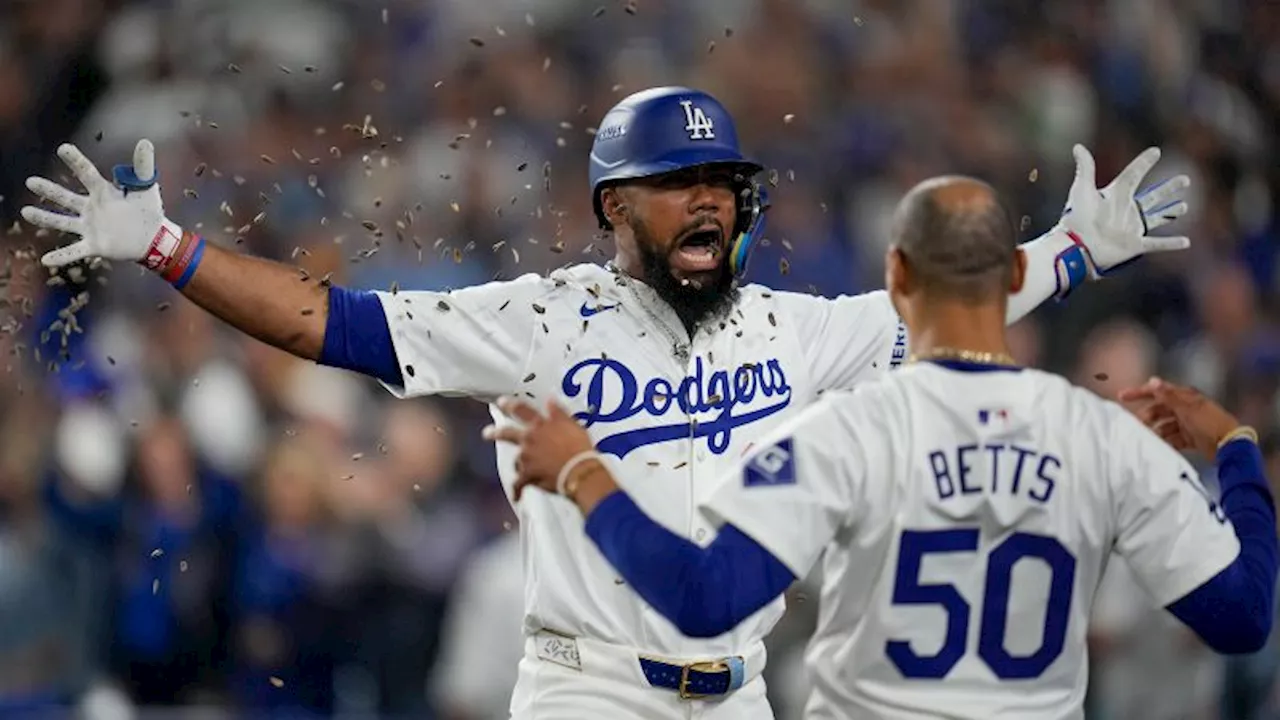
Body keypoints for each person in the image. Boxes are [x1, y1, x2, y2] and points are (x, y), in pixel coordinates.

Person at [21, 87, 1193, 719]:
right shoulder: (538, 318)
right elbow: (326, 321)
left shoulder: (798, 329)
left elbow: (958, 308)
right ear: (610, 209)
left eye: (720, 186)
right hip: (585, 689)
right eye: (672, 187)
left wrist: (1075, 248)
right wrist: (170, 247)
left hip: (738, 695)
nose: (703, 206)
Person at [483, 175, 1278, 719]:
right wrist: (1237, 451)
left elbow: (703, 600)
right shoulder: (1106, 437)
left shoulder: (842, 436)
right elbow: (1244, 616)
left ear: (895, 275)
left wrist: (587, 475)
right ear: (1010, 284)